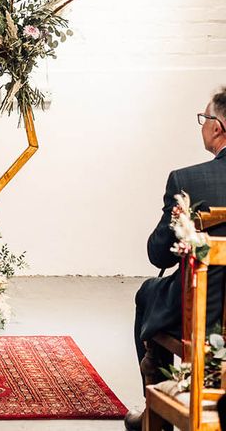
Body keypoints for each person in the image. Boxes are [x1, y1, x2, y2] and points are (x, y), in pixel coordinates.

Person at [125, 88, 226, 431]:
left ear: (218, 127)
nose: (202, 126)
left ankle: (156, 410)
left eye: (204, 118)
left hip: (207, 314)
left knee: (149, 291)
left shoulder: (188, 180)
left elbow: (158, 252)